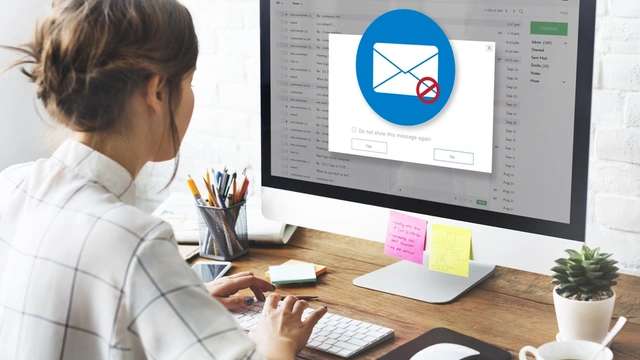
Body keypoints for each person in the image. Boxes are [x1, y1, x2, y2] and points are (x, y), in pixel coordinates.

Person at [0, 0, 327, 359]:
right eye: (188, 82)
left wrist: (176, 300)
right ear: (156, 91)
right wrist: (278, 338)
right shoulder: (134, 241)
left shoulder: (11, 186)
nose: (190, 96)